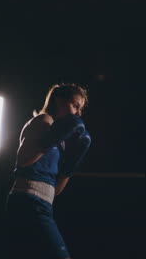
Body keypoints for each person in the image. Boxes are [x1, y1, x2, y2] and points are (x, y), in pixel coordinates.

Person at [6, 83, 91, 259]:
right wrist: (52, 138)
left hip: (42, 204)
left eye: (80, 109)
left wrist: (70, 166)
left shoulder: (61, 139)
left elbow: (56, 190)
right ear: (59, 101)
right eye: (75, 105)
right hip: (28, 201)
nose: (78, 113)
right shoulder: (43, 121)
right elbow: (23, 159)